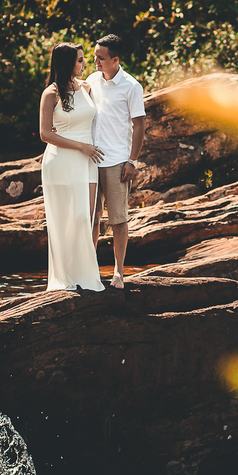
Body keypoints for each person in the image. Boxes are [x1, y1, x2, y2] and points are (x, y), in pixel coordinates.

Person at [39, 42, 105, 292]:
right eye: (79, 60)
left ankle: (86, 277)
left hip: (88, 160)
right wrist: (81, 147)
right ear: (67, 63)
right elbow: (45, 134)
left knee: (84, 218)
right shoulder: (51, 93)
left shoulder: (86, 87)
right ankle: (65, 279)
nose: (84, 64)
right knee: (65, 220)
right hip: (61, 162)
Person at [87, 33, 146, 289]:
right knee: (92, 217)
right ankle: (89, 269)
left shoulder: (131, 86)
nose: (96, 62)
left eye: (101, 58)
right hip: (90, 160)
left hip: (117, 162)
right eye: (95, 57)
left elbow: (140, 124)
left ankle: (119, 272)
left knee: (118, 219)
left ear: (115, 60)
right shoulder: (91, 81)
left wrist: (132, 161)